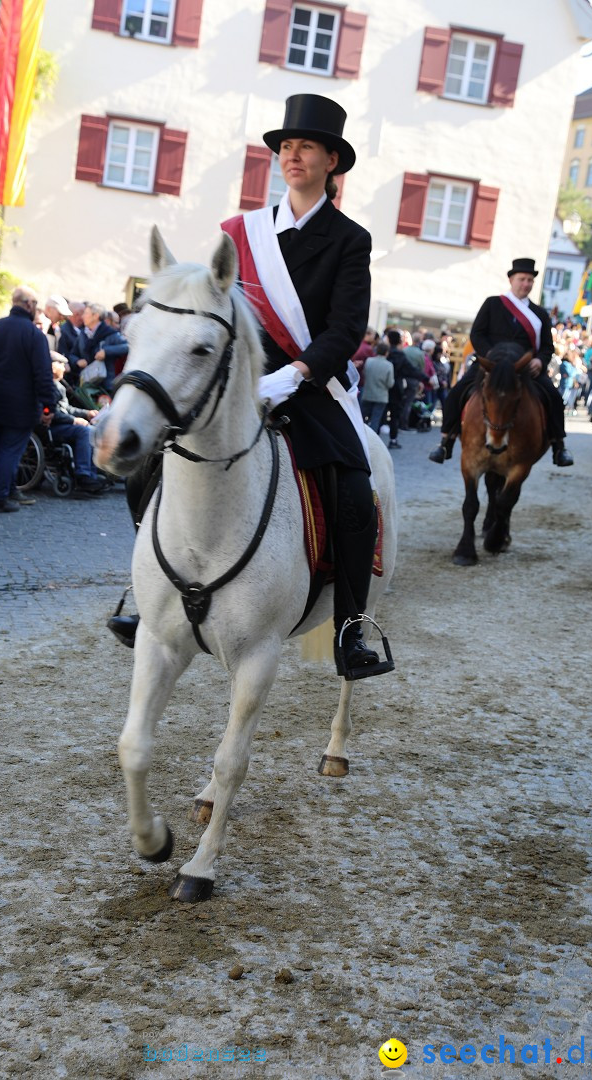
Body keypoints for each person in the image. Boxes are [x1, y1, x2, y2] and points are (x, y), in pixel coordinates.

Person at [220, 93, 388, 680]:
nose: (292, 156)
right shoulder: (243, 232)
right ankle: (149, 596)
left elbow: (344, 329)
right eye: (286, 147)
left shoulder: (350, 240)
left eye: (306, 147)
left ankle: (350, 628)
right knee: (160, 455)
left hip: (310, 387)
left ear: (331, 161)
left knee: (353, 492)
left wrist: (291, 376)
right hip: (242, 382)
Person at [429, 258, 574, 467]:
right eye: (522, 279)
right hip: (491, 365)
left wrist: (540, 362)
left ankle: (559, 446)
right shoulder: (492, 304)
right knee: (456, 393)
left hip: (524, 368)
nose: (526, 284)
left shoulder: (540, 314)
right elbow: (477, 334)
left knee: (554, 398)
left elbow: (547, 347)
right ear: (511, 279)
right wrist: (489, 356)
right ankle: (446, 441)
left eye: (530, 280)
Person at [0, 285, 56, 513]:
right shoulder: (34, 335)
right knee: (9, 451)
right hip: (21, 404)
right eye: (35, 305)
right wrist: (49, 406)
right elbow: (43, 375)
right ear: (28, 304)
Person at [47, 352, 107, 493]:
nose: (65, 368)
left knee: (91, 429)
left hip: (61, 424)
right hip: (51, 428)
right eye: (61, 364)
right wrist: (74, 420)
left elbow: (66, 408)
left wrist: (86, 413)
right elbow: (52, 413)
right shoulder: (48, 386)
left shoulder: (57, 385)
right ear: (52, 367)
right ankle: (83, 474)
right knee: (84, 431)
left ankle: (92, 474)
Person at [361, 341, 394, 433]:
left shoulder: (369, 361)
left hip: (367, 393)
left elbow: (364, 374)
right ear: (386, 352)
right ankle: (372, 440)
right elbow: (390, 383)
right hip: (381, 396)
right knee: (375, 419)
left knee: (361, 417)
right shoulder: (389, 365)